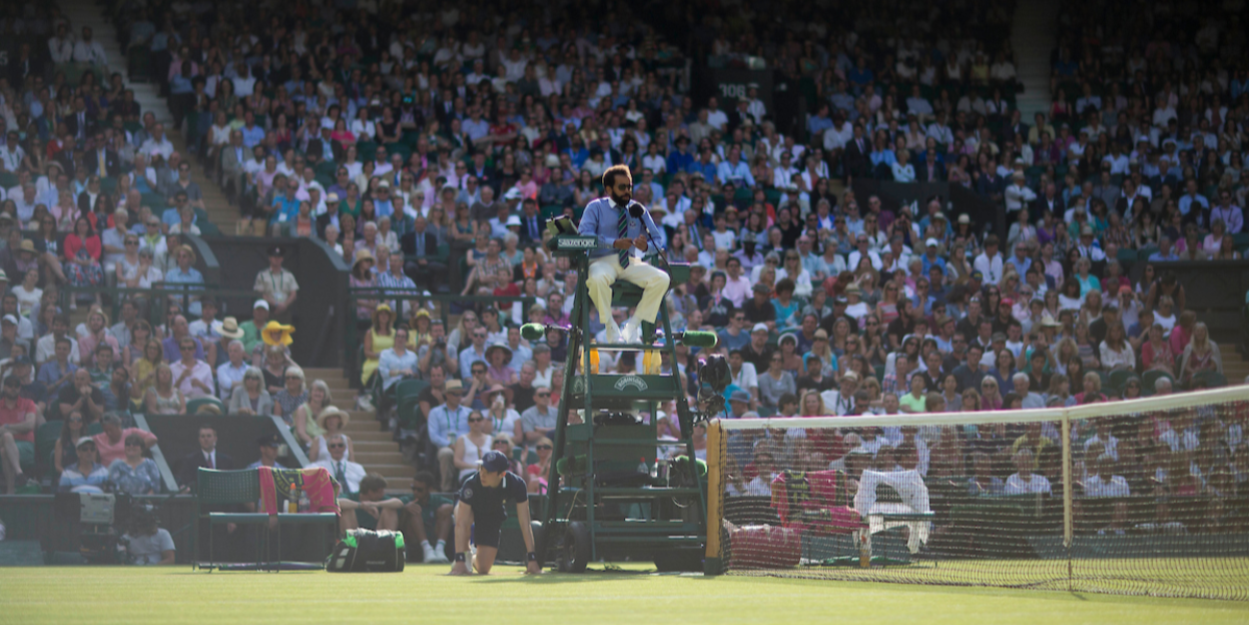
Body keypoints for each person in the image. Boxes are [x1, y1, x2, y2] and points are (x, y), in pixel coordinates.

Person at [578, 166, 670, 344]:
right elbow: (584, 236)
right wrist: (613, 242)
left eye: (629, 187)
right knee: (596, 279)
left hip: (631, 261)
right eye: (622, 187)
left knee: (663, 279)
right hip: (601, 260)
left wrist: (645, 247)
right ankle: (610, 326)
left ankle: (632, 327)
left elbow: (658, 242)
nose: (627, 191)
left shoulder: (638, 209)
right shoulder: (595, 207)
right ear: (609, 189)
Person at [448, 450, 540, 576]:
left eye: (488, 472)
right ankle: (464, 556)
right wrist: (459, 559)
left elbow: (525, 523)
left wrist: (532, 559)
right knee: (463, 517)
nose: (483, 475)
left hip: (491, 513)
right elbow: (461, 524)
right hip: (469, 508)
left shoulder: (517, 485)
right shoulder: (470, 484)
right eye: (481, 469)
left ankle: (472, 557)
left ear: (501, 474)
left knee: (483, 569)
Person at [429, 380, 472, 492]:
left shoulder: (468, 412)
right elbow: (433, 436)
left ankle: (470, 488)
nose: (459, 397)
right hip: (446, 446)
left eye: (461, 394)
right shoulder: (435, 412)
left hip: (466, 447)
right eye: (455, 394)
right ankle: (446, 489)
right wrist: (450, 444)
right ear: (447, 395)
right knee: (446, 453)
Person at [402, 472, 454, 564]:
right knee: (414, 510)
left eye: (419, 490)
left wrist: (451, 507)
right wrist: (405, 508)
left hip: (435, 536)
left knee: (446, 511)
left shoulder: (437, 500)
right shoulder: (409, 499)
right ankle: (427, 549)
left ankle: (440, 548)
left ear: (429, 489)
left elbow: (460, 504)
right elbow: (397, 503)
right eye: (413, 488)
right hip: (415, 541)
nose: (415, 492)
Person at [0, 374, 36, 493]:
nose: (13, 388)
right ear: (4, 387)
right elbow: (25, 427)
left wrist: (7, 427)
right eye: (9, 385)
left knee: (4, 449)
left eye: (16, 385)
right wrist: (20, 428)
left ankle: (10, 489)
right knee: (6, 437)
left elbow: (30, 425)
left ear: (20, 388)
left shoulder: (28, 403)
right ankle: (19, 473)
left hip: (25, 444)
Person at [339, 473, 406, 535]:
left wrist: (375, 504)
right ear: (370, 492)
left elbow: (399, 503)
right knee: (347, 509)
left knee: (390, 509)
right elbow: (337, 502)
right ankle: (350, 544)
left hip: (378, 536)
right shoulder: (352, 496)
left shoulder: (381, 499)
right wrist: (361, 505)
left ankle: (388, 542)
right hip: (356, 535)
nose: (382, 494)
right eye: (380, 492)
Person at [177, 424, 234, 492]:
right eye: (203, 436)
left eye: (209, 436)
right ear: (199, 439)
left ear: (215, 438)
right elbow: (185, 482)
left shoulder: (226, 461)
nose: (206, 439)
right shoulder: (190, 461)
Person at [93, 413, 158, 466]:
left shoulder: (132, 432)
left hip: (129, 469)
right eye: (106, 431)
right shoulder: (99, 438)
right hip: (107, 473)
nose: (108, 433)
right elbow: (85, 441)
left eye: (111, 430)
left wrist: (135, 448)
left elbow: (153, 438)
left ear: (118, 425)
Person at [254, 246, 299, 321]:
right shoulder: (262, 275)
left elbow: (294, 294)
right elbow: (260, 294)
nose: (276, 259)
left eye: (279, 257)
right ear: (270, 258)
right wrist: (275, 304)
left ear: (282, 259)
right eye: (274, 257)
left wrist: (284, 305)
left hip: (285, 310)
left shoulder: (289, 275)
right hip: (269, 310)